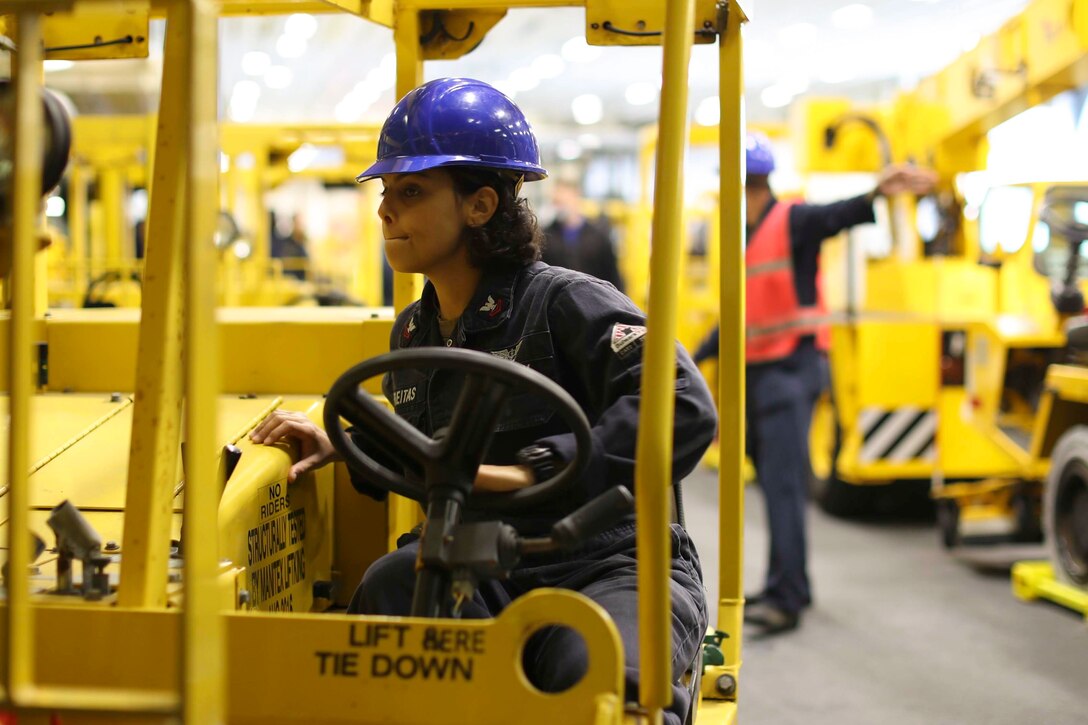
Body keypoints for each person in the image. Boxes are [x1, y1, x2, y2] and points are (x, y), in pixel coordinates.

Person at [250, 77, 716, 725]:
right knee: (377, 609)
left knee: (606, 683)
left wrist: (538, 468)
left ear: (480, 204)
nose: (386, 211)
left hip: (607, 561)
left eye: (411, 192)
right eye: (387, 193)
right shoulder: (413, 334)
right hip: (473, 560)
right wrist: (342, 443)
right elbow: (426, 456)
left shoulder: (565, 303)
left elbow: (684, 404)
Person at [692, 133, 936, 636]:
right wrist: (693, 357)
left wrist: (873, 195)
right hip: (759, 374)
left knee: (783, 488)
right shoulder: (747, 233)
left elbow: (834, 216)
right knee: (771, 483)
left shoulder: (792, 222)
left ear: (745, 183)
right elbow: (742, 312)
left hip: (790, 371)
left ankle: (787, 599)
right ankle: (789, 583)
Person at [541, 177, 625, 291]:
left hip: (594, 301)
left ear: (576, 195)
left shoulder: (599, 238)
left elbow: (613, 277)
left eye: (561, 202)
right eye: (556, 202)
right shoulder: (546, 237)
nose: (558, 207)